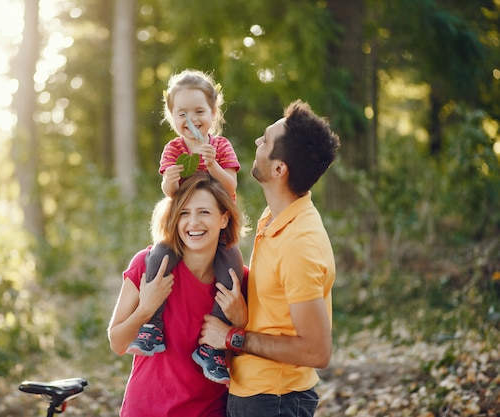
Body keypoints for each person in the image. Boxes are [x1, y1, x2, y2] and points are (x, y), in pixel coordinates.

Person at [199, 99, 341, 417]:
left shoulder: (299, 244)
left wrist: (233, 337)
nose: (256, 142)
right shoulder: (276, 217)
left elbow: (317, 350)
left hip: (274, 400)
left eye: (265, 140)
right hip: (254, 394)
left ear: (279, 169)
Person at [126, 69, 243, 385]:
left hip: (217, 229)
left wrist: (214, 165)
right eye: (182, 113)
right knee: (158, 258)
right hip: (182, 227)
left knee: (232, 271)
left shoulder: (220, 146)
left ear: (213, 113)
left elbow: (231, 185)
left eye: (199, 111)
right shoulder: (174, 150)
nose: (191, 119)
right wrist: (169, 181)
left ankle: (210, 349)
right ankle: (153, 325)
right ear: (172, 117)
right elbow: (169, 193)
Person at [108, 174, 249, 417]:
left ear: (224, 218)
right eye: (184, 213)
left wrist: (239, 321)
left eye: (204, 212)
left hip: (207, 411)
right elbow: (118, 343)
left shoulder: (239, 282)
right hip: (143, 410)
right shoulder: (146, 265)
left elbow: (240, 361)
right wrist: (145, 308)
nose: (193, 222)